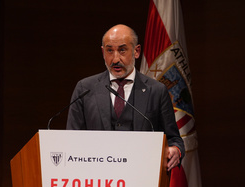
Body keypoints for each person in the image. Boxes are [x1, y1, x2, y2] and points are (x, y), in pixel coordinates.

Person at [66, 24, 184, 171]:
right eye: (110, 51)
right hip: (97, 179)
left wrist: (175, 150)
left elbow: (174, 139)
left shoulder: (156, 91)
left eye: (122, 50)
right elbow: (71, 140)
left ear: (136, 51)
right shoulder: (85, 89)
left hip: (141, 176)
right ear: (103, 52)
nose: (115, 59)